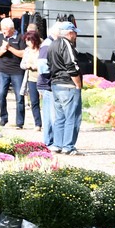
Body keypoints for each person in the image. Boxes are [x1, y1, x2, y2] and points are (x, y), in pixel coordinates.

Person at [48, 22, 83, 155]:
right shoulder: (66, 44)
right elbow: (71, 65)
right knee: (72, 117)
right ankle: (68, 146)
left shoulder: (53, 44)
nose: (76, 36)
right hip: (68, 84)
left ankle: (57, 144)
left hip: (55, 83)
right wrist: (78, 85)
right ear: (69, 33)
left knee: (60, 117)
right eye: (75, 33)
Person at [0, 17, 27, 129]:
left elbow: (23, 54)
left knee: (19, 97)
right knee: (1, 94)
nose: (3, 32)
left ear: (11, 29)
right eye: (2, 29)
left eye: (5, 30)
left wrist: (9, 48)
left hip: (17, 71)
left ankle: (19, 122)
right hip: (3, 70)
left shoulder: (21, 37)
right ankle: (3, 117)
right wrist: (1, 51)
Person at [37, 24, 59, 147]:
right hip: (47, 84)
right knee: (51, 115)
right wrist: (54, 74)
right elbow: (42, 66)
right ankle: (50, 142)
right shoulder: (47, 45)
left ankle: (49, 141)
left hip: (46, 83)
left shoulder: (49, 43)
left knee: (50, 114)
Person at [21, 30, 43, 130]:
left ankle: (49, 122)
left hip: (43, 78)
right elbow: (22, 64)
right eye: (26, 41)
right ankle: (37, 123)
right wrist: (27, 65)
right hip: (31, 79)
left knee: (46, 101)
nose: (27, 43)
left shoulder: (42, 50)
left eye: (29, 40)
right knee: (34, 102)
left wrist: (36, 66)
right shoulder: (27, 50)